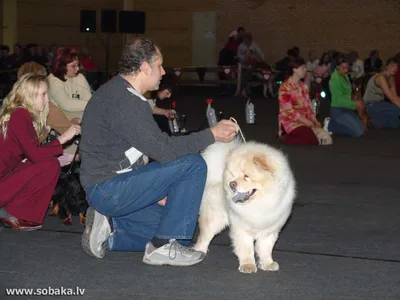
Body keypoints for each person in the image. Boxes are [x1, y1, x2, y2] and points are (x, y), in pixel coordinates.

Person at [79, 38, 238, 266]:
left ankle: (111, 230)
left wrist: (154, 187)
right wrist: (211, 135)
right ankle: (162, 247)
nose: (163, 72)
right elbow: (164, 150)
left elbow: (133, 150)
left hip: (109, 187)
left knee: (182, 226)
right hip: (109, 189)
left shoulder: (117, 92)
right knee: (192, 164)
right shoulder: (126, 102)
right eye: (159, 65)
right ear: (144, 67)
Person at [0, 74, 81, 231]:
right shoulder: (20, 115)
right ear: (29, 95)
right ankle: (12, 211)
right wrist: (62, 139)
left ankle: (15, 212)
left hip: (5, 177)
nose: (47, 100)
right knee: (49, 164)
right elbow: (35, 154)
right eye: (43, 94)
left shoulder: (21, 114)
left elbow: (32, 154)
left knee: (50, 164)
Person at [278, 57, 320, 145]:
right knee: (311, 139)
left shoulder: (304, 87)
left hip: (304, 120)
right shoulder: (285, 87)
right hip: (289, 121)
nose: (305, 70)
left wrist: (315, 121)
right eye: (303, 67)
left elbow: (309, 107)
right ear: (295, 69)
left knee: (321, 137)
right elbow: (289, 111)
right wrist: (307, 122)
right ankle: (284, 136)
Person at [324, 55, 366, 137]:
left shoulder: (345, 75)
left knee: (361, 129)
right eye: (343, 68)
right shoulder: (335, 78)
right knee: (358, 133)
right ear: (337, 67)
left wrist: (354, 98)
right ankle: (330, 125)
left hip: (346, 108)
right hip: (338, 110)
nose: (346, 70)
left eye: (347, 68)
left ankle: (334, 124)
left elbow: (346, 93)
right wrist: (355, 104)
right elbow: (337, 100)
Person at [47, 48, 91, 121]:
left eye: (78, 65)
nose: (77, 69)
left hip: (81, 120)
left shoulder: (80, 78)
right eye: (73, 66)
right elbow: (67, 105)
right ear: (62, 66)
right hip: (61, 124)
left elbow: (88, 100)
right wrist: (93, 104)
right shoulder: (53, 81)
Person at [363, 57, 400, 128]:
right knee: (397, 110)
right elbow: (392, 99)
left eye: (396, 66)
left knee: (396, 123)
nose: (395, 68)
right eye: (392, 66)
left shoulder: (391, 78)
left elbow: (395, 97)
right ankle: (372, 120)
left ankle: (375, 121)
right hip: (370, 105)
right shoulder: (380, 78)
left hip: (380, 104)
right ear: (386, 66)